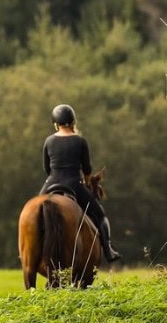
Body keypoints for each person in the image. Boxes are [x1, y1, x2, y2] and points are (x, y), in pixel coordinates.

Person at [41, 103, 121, 263]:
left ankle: (28, 250)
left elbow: (46, 168)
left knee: (35, 212)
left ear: (56, 124)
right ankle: (108, 249)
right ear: (72, 122)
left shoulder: (48, 141)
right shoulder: (80, 141)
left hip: (51, 184)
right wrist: (85, 182)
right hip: (74, 185)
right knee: (100, 214)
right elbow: (87, 169)